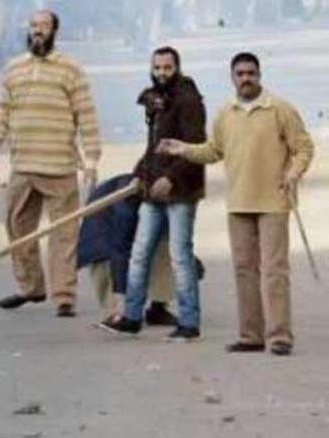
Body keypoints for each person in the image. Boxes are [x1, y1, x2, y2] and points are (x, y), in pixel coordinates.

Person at [159, 52, 314, 356]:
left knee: (274, 271)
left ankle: (279, 337)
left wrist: (293, 174)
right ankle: (250, 336)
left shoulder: (280, 109)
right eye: (240, 74)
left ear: (259, 75)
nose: (246, 79)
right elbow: (213, 151)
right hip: (239, 203)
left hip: (274, 201)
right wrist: (182, 149)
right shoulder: (225, 114)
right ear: (232, 77)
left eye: (251, 73)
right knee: (244, 270)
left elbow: (304, 148)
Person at [0, 11, 101, 318]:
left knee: (64, 234)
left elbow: (86, 114)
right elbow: (2, 112)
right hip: (23, 165)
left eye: (44, 26)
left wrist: (91, 159)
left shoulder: (70, 69)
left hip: (59, 166)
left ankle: (64, 296)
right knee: (17, 227)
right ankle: (31, 286)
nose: (38, 31)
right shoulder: (14, 68)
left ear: (54, 32)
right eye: (34, 26)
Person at [102, 47, 206, 342]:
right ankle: (132, 317)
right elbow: (154, 147)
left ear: (177, 68)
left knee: (180, 256)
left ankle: (189, 322)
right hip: (152, 193)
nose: (161, 73)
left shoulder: (188, 101)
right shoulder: (156, 101)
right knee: (139, 253)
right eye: (157, 67)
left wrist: (171, 178)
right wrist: (140, 174)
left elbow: (197, 147)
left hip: (181, 193)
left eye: (167, 67)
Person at [76, 174, 180, 326]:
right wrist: (121, 296)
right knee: (106, 261)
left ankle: (159, 306)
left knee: (164, 246)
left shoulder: (173, 200)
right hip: (105, 234)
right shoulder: (126, 204)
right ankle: (115, 311)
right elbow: (120, 250)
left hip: (139, 225)